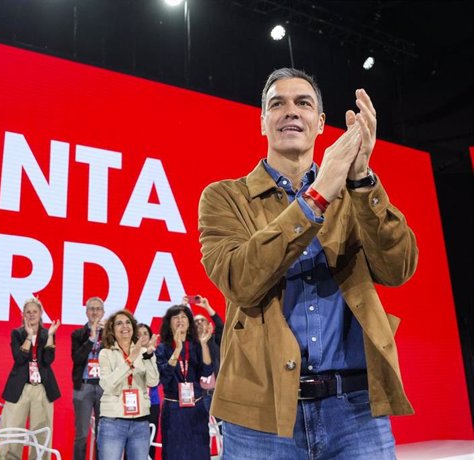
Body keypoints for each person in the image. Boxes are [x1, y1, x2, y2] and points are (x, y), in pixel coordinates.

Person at [198, 67, 418, 459]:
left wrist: (363, 178)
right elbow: (240, 281)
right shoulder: (224, 198)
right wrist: (316, 197)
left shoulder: (354, 194)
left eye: (303, 103)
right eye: (277, 104)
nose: (290, 111)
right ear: (262, 121)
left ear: (319, 124)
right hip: (261, 416)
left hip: (355, 410)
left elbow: (397, 268)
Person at [0, 298, 61, 460]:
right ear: (23, 315)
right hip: (20, 388)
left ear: (41, 313)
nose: (32, 314)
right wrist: (28, 337)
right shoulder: (17, 333)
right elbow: (19, 358)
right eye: (28, 312)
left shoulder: (47, 333)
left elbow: (48, 360)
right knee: (12, 432)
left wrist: (50, 336)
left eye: (35, 311)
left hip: (42, 388)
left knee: (42, 435)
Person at [96, 310, 159, 460]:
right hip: (113, 422)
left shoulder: (145, 352)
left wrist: (148, 356)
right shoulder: (106, 353)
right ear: (112, 330)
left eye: (128, 322)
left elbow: (153, 381)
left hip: (140, 422)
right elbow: (108, 384)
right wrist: (130, 359)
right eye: (119, 323)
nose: (124, 326)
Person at [155, 304, 213, 459]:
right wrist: (177, 348)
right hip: (174, 409)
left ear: (189, 323)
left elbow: (207, 371)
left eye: (183, 317)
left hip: (197, 407)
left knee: (199, 451)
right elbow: (164, 378)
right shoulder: (162, 348)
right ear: (169, 323)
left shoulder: (195, 345)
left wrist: (204, 343)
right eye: (175, 317)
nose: (180, 320)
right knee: (175, 453)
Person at [71, 297, 105, 460]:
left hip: (104, 387)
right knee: (82, 434)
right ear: (86, 312)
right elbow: (77, 358)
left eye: (98, 309)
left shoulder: (109, 335)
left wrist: (106, 336)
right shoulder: (78, 334)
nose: (95, 312)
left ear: (103, 312)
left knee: (103, 433)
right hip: (83, 387)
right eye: (92, 309)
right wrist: (91, 339)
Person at [187, 296, 223, 413]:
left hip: (218, 394)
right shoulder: (190, 344)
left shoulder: (215, 340)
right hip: (199, 396)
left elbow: (221, 327)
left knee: (221, 429)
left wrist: (207, 307)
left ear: (209, 325)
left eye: (202, 320)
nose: (199, 323)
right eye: (196, 322)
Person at [136, 323, 161, 459]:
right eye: (139, 334)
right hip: (135, 404)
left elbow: (158, 379)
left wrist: (150, 355)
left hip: (153, 403)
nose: (142, 336)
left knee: (150, 441)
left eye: (145, 333)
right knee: (132, 442)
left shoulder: (157, 354)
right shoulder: (131, 355)